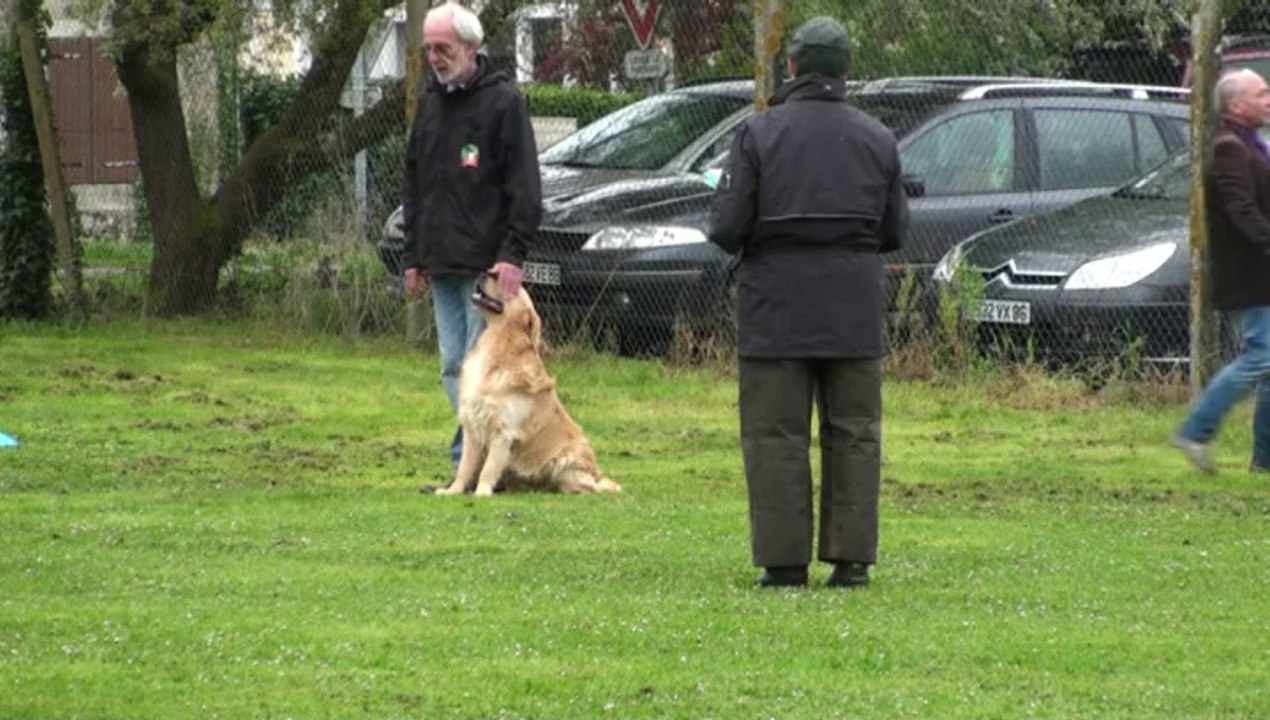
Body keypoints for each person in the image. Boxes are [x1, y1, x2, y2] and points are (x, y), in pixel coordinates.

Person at [707, 16, 908, 588]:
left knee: (775, 433)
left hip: (776, 306)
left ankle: (784, 561)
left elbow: (726, 226)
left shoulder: (757, 134)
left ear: (790, 67)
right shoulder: (877, 138)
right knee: (856, 431)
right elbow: (894, 230)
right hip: (852, 305)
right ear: (846, 71)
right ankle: (851, 560)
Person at [403, 1, 542, 469]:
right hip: (441, 261)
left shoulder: (503, 104)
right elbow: (416, 183)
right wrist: (412, 255)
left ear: (469, 46)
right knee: (452, 367)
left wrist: (512, 254)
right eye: (428, 49)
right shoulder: (429, 104)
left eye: (442, 47)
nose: (434, 57)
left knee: (481, 369)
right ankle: (476, 455)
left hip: (487, 268)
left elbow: (524, 186)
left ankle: (483, 460)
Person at [1172, 68, 1270, 474]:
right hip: (1251, 273)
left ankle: (1264, 461)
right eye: (1262, 93)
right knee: (1261, 355)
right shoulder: (1230, 148)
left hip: (1262, 269)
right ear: (1235, 105)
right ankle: (1195, 429)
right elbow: (1241, 211)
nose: (1269, 99)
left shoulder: (1254, 144)